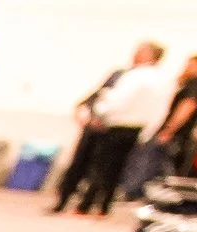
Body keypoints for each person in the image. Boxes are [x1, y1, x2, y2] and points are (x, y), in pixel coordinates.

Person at [54, 43, 173, 215]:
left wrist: (99, 112)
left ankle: (84, 205)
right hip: (136, 129)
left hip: (114, 125)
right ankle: (102, 207)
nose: (135, 54)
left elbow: (118, 101)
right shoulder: (163, 80)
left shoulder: (136, 76)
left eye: (140, 51)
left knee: (98, 167)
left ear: (151, 56)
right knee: (115, 169)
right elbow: (161, 110)